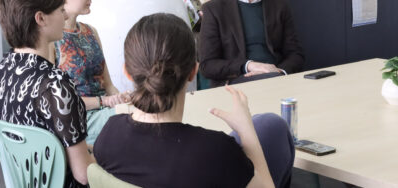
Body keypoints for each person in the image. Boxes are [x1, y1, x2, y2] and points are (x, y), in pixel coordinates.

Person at [94, 13, 295, 188]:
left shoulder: (108, 134)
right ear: (193, 71)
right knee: (271, 127)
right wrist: (246, 129)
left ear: (127, 72)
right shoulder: (214, 151)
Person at [0, 0, 94, 187]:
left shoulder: (3, 70)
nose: (67, 16)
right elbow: (83, 174)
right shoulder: (55, 84)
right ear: (40, 18)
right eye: (61, 10)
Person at [47, 0, 130, 144]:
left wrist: (120, 99)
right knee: (139, 119)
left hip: (105, 113)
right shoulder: (51, 42)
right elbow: (57, 103)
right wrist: (104, 102)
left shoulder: (90, 32)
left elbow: (108, 85)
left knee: (140, 110)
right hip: (78, 122)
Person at [199, 0, 304, 87]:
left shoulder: (280, 6)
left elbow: (296, 55)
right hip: (236, 83)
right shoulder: (214, 10)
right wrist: (248, 65)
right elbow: (207, 66)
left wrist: (280, 73)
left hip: (276, 79)